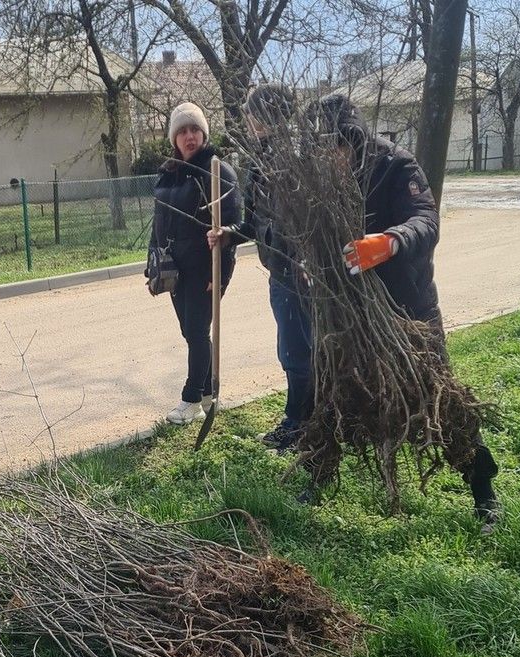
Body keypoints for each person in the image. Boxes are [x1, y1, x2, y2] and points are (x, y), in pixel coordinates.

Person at [212, 93, 501, 531]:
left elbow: (426, 220)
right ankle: (317, 475)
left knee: (437, 397)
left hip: (408, 309)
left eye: (340, 146)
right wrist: (310, 263)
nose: (334, 157)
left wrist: (388, 242)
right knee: (332, 397)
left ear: (356, 139)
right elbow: (299, 230)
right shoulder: (318, 175)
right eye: (324, 148)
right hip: (346, 314)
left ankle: (483, 490)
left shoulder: (395, 167)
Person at [210, 84, 311, 452]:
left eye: (253, 113)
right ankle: (303, 419)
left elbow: (309, 219)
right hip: (280, 272)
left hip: (301, 272)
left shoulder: (297, 157)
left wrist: (305, 257)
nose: (249, 121)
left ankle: (300, 424)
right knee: (292, 348)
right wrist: (227, 234)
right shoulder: (258, 162)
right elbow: (253, 223)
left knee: (298, 350)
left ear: (267, 116)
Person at [151, 102, 240, 425]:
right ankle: (206, 395)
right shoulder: (169, 173)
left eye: (195, 130)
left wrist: (221, 276)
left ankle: (191, 400)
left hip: (204, 269)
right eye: (183, 131)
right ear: (174, 138)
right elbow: (158, 220)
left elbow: (233, 227)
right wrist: (153, 260)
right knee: (190, 332)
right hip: (175, 268)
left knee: (198, 331)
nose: (189, 136)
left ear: (204, 133)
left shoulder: (217, 171)